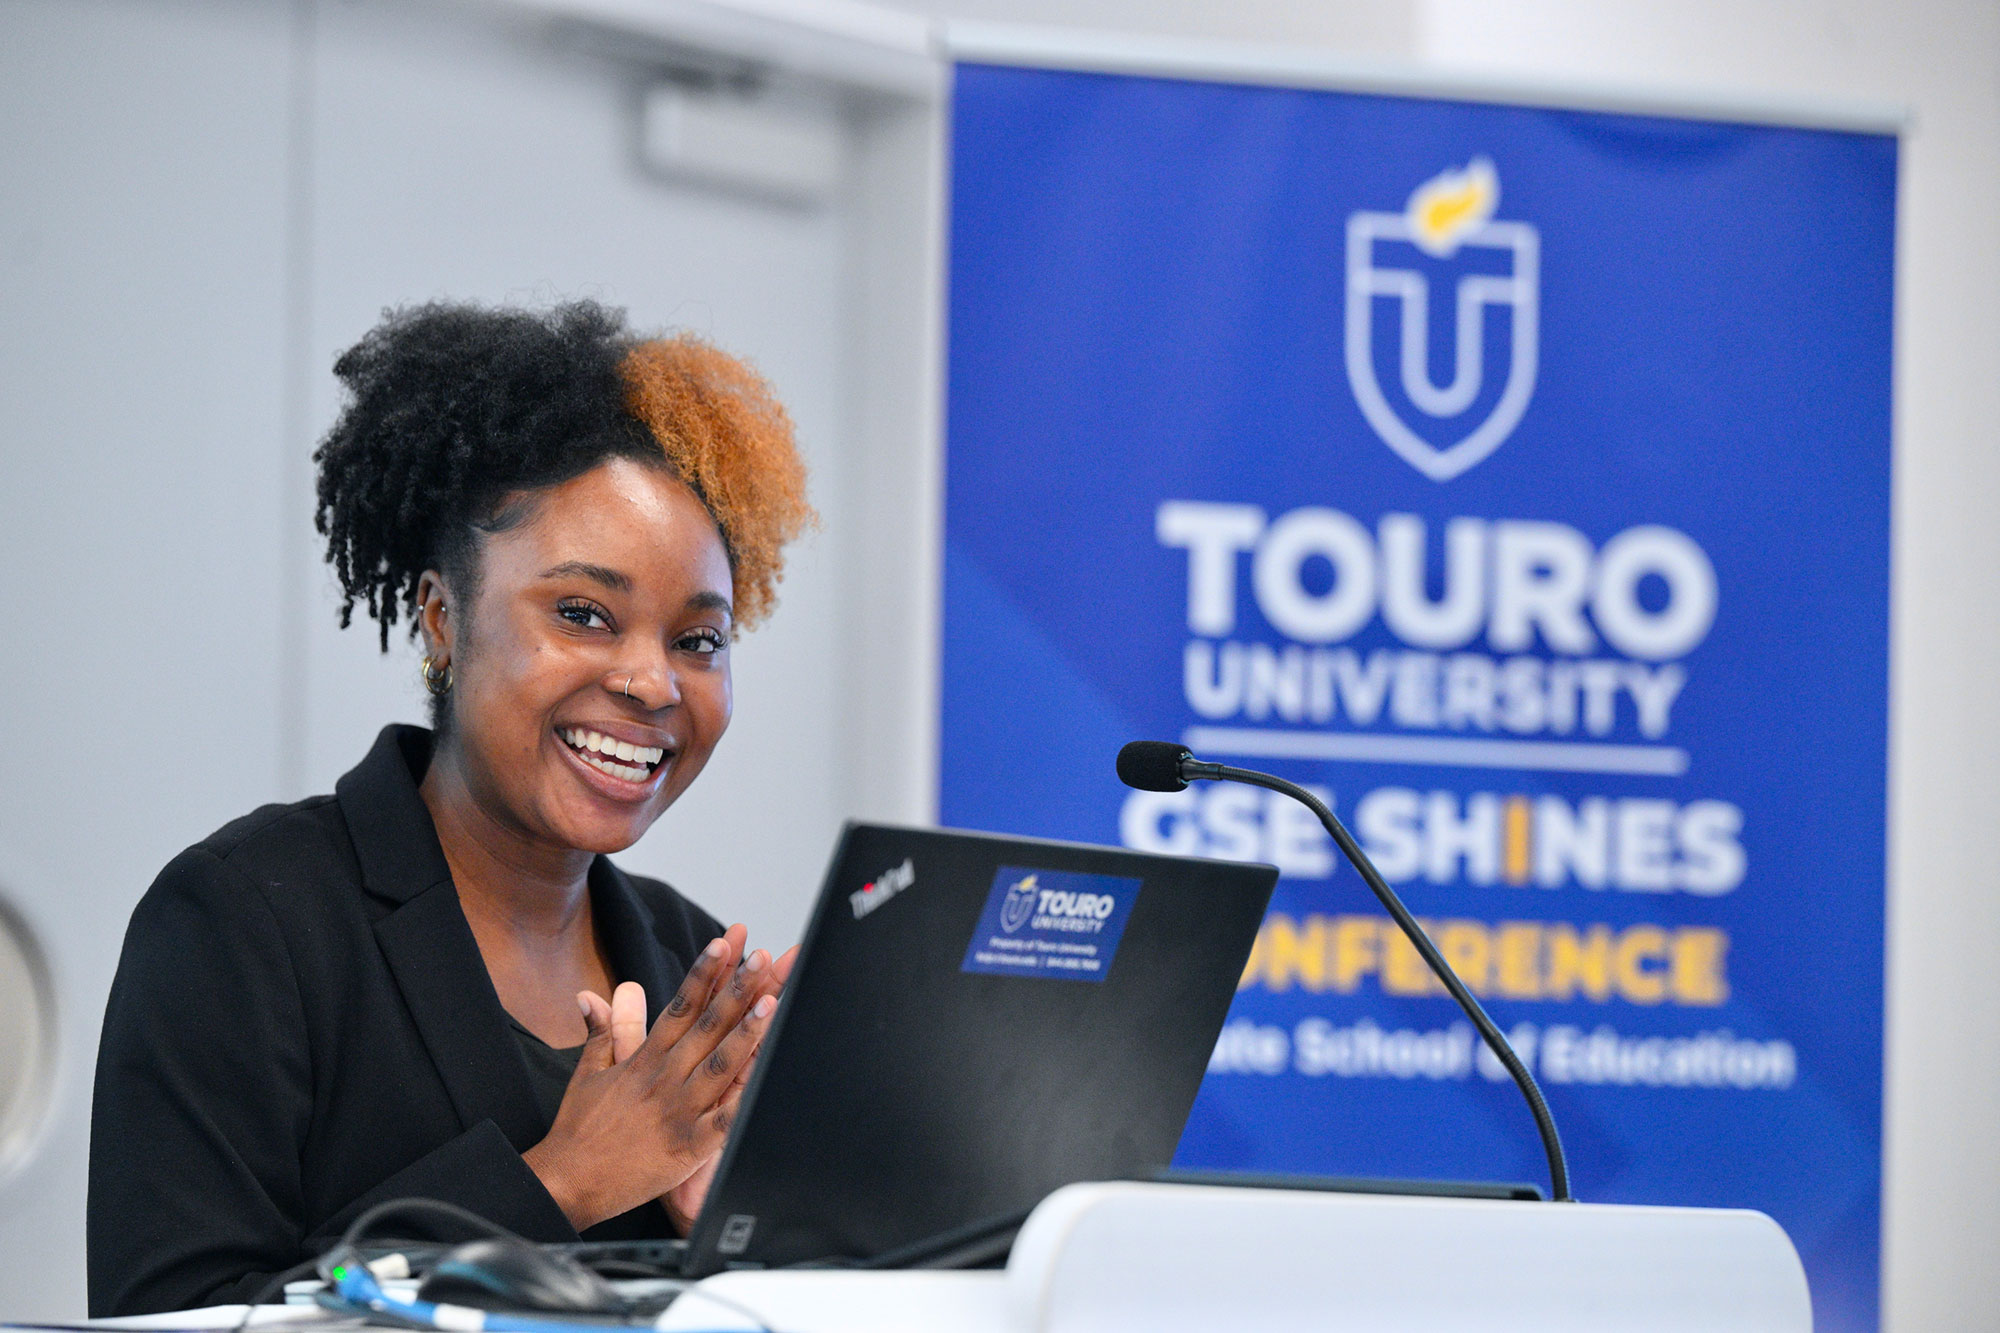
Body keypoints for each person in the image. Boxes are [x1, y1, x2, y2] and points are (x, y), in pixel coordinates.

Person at [87, 300, 816, 1316]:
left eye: (699, 640)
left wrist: (734, 1233)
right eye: (583, 615)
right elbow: (172, 1314)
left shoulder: (689, 957)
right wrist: (562, 1180)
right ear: (442, 616)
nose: (653, 682)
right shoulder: (247, 922)